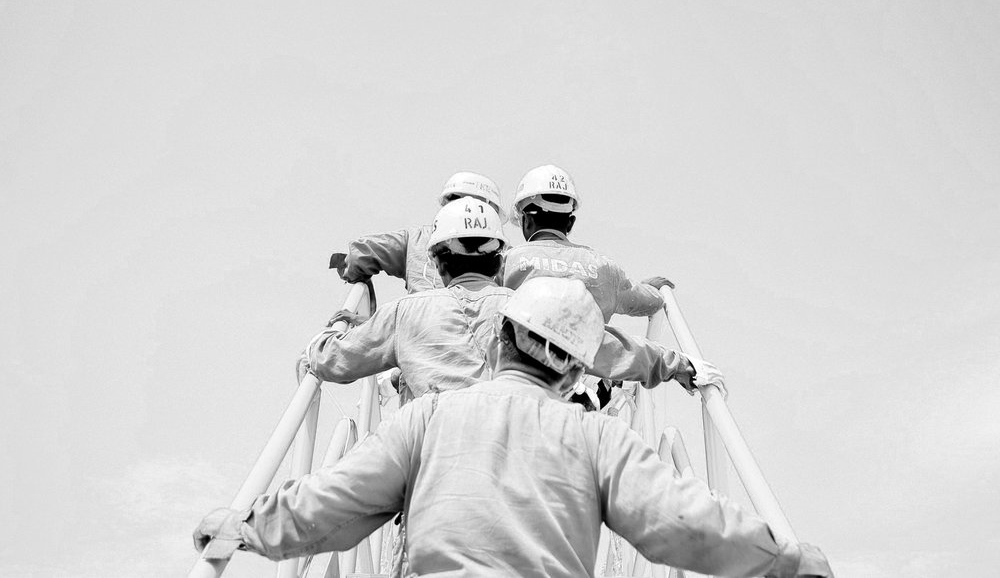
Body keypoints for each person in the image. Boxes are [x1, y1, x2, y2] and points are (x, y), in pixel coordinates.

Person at [195, 277, 833, 578]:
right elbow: (682, 521)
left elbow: (333, 505)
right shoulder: (598, 438)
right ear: (573, 375)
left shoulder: (425, 419)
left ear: (501, 338)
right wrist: (782, 559)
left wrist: (243, 528)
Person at [301, 198, 723, 404]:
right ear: (500, 255)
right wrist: (678, 364)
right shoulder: (530, 309)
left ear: (435, 257)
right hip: (514, 467)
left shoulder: (403, 315)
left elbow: (330, 360)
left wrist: (340, 324)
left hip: (430, 470)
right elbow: (608, 348)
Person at [504, 164, 668, 322]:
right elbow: (646, 302)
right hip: (588, 350)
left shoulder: (506, 262)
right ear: (570, 223)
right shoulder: (603, 267)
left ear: (525, 220)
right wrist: (652, 289)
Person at [329, 171, 505, 294]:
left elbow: (361, 254)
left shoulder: (415, 239)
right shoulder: (503, 251)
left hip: (418, 329)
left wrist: (354, 277)